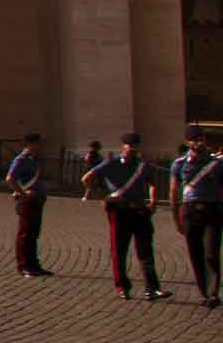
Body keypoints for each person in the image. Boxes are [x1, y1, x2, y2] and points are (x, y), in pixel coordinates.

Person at [81, 133, 166, 301]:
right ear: (123, 147)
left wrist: (154, 202)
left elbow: (152, 184)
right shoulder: (110, 164)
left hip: (140, 210)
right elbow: (86, 178)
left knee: (146, 250)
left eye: (135, 146)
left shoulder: (142, 165)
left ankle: (152, 288)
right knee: (119, 249)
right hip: (119, 211)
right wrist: (104, 195)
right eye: (129, 146)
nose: (132, 149)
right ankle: (122, 286)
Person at [173, 130, 223, 308]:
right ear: (187, 143)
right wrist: (176, 219)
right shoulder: (179, 164)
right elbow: (174, 191)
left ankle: (213, 293)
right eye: (194, 140)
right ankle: (204, 292)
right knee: (196, 254)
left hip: (213, 210)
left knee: (211, 253)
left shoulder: (216, 163)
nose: (198, 143)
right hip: (190, 211)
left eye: (201, 140)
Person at [5, 132, 50, 277]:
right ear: (30, 144)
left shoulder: (36, 160)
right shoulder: (21, 160)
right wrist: (22, 194)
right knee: (25, 234)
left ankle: (34, 264)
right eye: (39, 143)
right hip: (27, 201)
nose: (42, 146)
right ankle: (24, 266)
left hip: (38, 199)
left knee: (34, 233)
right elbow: (10, 179)